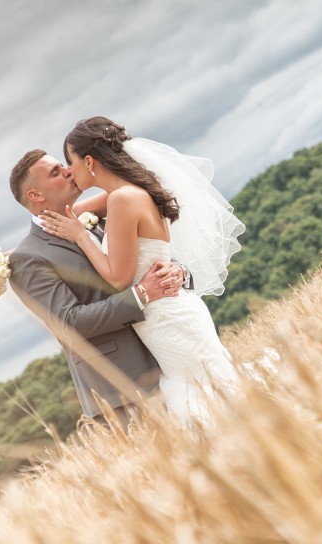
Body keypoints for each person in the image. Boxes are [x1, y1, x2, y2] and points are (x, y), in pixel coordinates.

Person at [39, 116, 244, 428]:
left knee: (206, 399)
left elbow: (118, 278)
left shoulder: (122, 199)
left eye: (70, 161)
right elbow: (65, 214)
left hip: (166, 318)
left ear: (90, 161)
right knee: (212, 393)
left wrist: (80, 236)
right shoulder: (123, 193)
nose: (69, 171)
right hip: (172, 312)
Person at [8, 148, 189, 428]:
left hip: (172, 355)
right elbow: (69, 322)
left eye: (63, 165)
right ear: (36, 196)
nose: (68, 170)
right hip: (124, 388)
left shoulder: (99, 217)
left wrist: (177, 271)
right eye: (56, 172)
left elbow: (143, 262)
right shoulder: (27, 258)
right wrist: (141, 294)